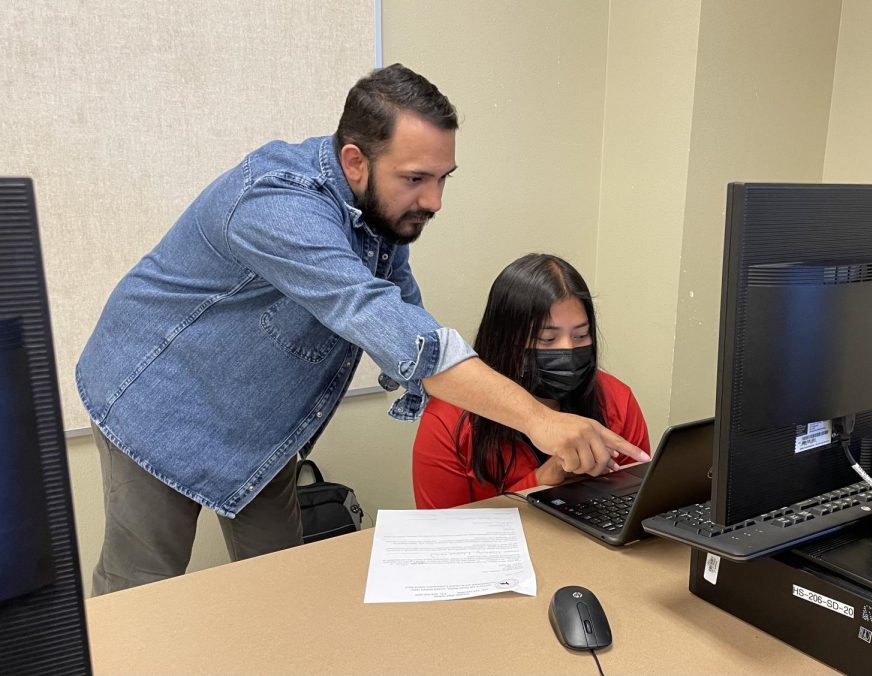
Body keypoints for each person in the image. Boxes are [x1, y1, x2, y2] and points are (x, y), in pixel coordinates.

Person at [78, 64, 647, 595]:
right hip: (159, 402)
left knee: (278, 581)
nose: (435, 201)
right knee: (143, 589)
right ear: (355, 161)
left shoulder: (372, 213)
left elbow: (407, 315)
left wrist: (464, 387)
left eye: (444, 178)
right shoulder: (276, 203)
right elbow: (387, 323)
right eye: (417, 178)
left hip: (260, 424)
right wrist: (540, 420)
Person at [413, 253, 651, 509]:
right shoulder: (449, 419)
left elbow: (636, 504)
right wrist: (538, 483)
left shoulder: (616, 398)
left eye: (581, 335)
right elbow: (441, 535)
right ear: (505, 340)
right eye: (547, 339)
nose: (568, 349)